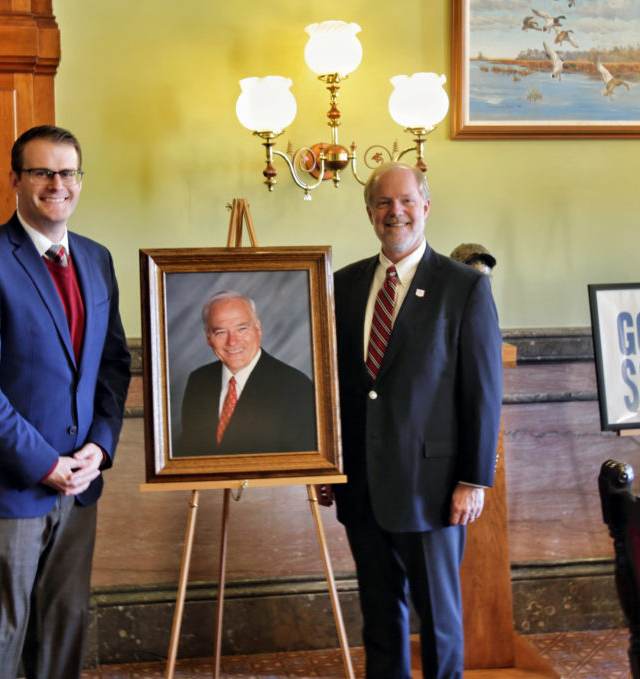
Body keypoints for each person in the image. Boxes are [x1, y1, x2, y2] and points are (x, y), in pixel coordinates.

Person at [0, 125, 132, 679]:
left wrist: (100, 443)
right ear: (16, 181)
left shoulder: (96, 260)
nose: (57, 184)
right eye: (42, 172)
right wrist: (46, 465)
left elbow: (113, 364)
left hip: (80, 486)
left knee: (60, 638)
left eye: (67, 172)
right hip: (4, 490)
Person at [319, 162, 503, 679]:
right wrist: (326, 465)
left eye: (404, 202)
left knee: (440, 623)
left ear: (425, 207)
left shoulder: (464, 287)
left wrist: (473, 480)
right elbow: (335, 385)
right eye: (382, 203)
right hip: (361, 487)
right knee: (379, 619)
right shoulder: (343, 285)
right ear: (369, 213)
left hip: (436, 490)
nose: (393, 212)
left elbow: (483, 393)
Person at [175, 290, 317, 457]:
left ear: (258, 328)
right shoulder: (198, 381)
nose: (232, 342)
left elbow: (303, 469)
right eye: (220, 332)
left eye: (241, 329)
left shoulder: (297, 387)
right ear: (208, 336)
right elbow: (187, 454)